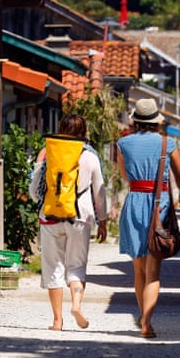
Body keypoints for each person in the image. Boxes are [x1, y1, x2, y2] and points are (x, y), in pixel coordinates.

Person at [117, 98, 180, 339]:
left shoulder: (123, 143)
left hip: (135, 202)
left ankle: (143, 316)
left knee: (138, 270)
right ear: (156, 121)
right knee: (154, 271)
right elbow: (178, 174)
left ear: (135, 120)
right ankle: (147, 321)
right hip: (159, 206)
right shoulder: (167, 143)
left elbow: (126, 177)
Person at [29, 113, 107, 331]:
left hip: (50, 216)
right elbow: (99, 192)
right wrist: (103, 220)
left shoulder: (46, 153)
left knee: (53, 268)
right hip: (80, 216)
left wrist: (45, 202)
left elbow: (34, 191)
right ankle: (76, 305)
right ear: (83, 133)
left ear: (60, 128)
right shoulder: (90, 157)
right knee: (76, 267)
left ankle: (56, 321)